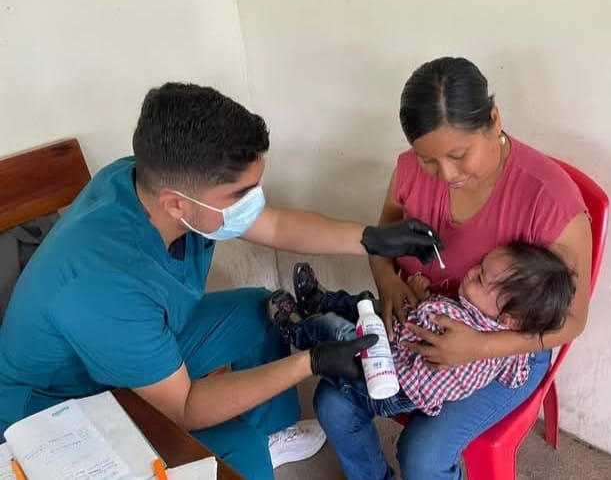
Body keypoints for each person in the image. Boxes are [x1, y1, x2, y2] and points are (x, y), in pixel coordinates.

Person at [0, 83, 444, 480]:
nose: (254, 203)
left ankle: (273, 434)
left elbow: (274, 225)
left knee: (264, 311)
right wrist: (311, 363)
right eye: (240, 195)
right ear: (176, 204)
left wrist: (372, 239)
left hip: (127, 342)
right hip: (58, 404)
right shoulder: (106, 284)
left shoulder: (148, 180)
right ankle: (254, 449)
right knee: (238, 452)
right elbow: (186, 407)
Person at [313, 56, 593, 480]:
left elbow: (572, 322)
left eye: (459, 155)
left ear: (494, 120)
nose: (445, 174)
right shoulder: (408, 171)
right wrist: (388, 282)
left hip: (504, 348)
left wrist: (479, 347)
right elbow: (380, 244)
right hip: (422, 317)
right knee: (331, 402)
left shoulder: (550, 201)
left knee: (422, 457)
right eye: (428, 159)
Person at [267, 241, 576, 430]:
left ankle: (299, 331)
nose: (471, 271)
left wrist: (415, 300)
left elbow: (406, 330)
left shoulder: (458, 329)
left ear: (508, 318)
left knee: (341, 330)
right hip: (404, 355)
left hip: (388, 386)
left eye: (481, 278)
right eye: (480, 266)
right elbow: (515, 375)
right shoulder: (501, 336)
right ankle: (319, 300)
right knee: (368, 304)